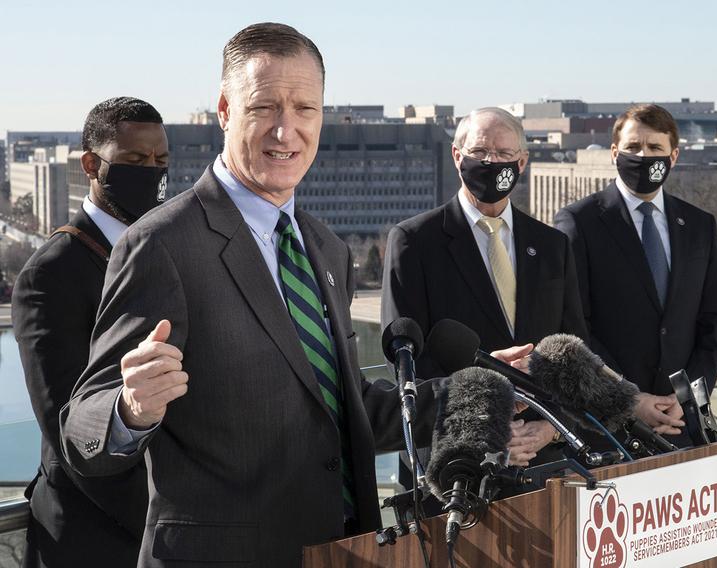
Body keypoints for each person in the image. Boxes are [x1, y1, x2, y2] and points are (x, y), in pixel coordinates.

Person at [58, 23, 510, 566]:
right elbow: (80, 427)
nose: (285, 131)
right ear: (225, 110)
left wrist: (477, 391)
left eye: (305, 110)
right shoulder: (160, 244)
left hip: (346, 549)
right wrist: (129, 410)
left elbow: (346, 413)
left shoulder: (323, 246)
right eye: (264, 108)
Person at [382, 107, 587, 493]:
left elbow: (573, 353)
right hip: (457, 468)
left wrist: (550, 429)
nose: (491, 162)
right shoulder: (414, 242)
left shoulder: (552, 246)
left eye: (504, 154)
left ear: (522, 162)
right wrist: (487, 429)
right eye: (480, 152)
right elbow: (408, 362)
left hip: (545, 465)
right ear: (458, 156)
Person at [12, 96, 168, 568]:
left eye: (161, 161)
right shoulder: (50, 274)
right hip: (91, 541)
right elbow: (71, 429)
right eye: (135, 161)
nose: (152, 173)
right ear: (90, 166)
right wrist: (173, 520)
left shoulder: (166, 248)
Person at [554, 104, 717, 445]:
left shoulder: (699, 225)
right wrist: (629, 397)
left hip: (683, 422)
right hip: (610, 425)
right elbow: (575, 326)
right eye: (633, 147)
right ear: (614, 153)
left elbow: (713, 322)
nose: (643, 156)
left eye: (654, 148)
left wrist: (686, 397)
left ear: (673, 156)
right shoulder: (580, 222)